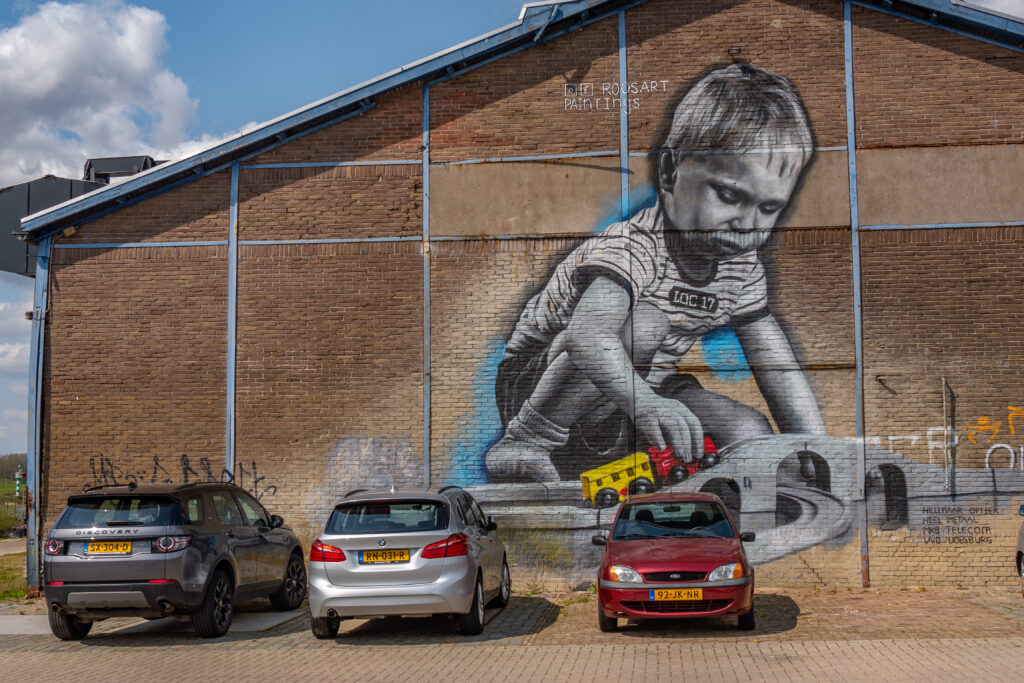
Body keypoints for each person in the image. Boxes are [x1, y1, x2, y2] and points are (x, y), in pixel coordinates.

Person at [485, 64, 826, 483]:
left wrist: (817, 449)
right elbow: (586, 336)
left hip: (634, 397)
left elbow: (775, 365)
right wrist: (647, 405)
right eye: (730, 195)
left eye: (769, 208)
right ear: (669, 172)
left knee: (748, 431)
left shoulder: (741, 268)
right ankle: (522, 443)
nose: (747, 223)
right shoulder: (635, 246)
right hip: (540, 387)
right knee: (645, 323)